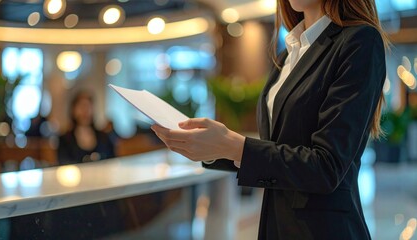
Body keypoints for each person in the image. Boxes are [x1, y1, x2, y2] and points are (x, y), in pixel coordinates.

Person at [152, 0, 386, 239]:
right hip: (276, 224)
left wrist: (234, 146)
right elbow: (279, 150)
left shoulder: (359, 40)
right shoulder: (288, 54)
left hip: (324, 230)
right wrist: (214, 149)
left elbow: (327, 167)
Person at [58, 91, 115, 165]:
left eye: (88, 106)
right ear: (73, 110)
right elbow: (64, 164)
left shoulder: (104, 137)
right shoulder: (65, 139)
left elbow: (113, 161)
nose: (85, 111)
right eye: (81, 106)